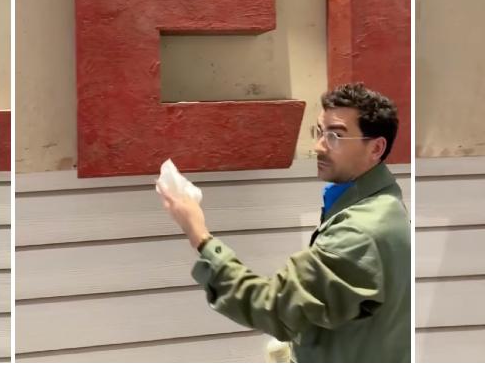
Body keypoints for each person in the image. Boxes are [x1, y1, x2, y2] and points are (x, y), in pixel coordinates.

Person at [157, 82, 411, 362]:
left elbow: (273, 307)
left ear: (376, 148)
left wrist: (198, 234)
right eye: (319, 132)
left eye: (335, 136)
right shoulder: (383, 204)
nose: (318, 146)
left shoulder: (359, 232)